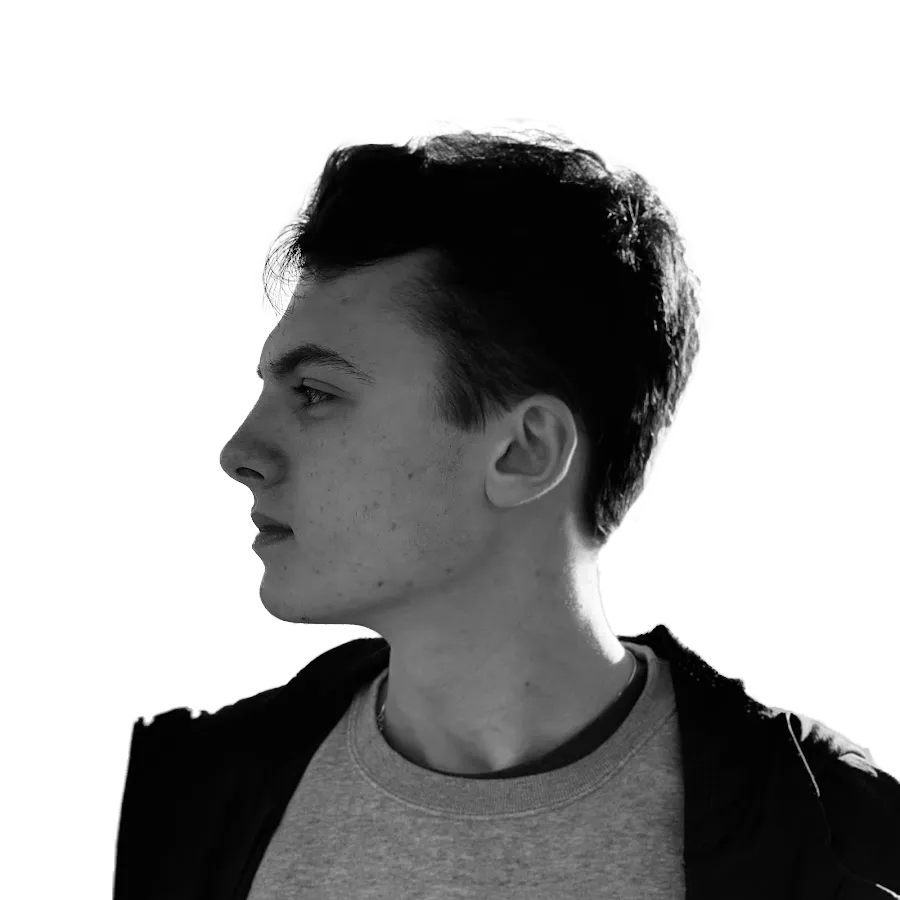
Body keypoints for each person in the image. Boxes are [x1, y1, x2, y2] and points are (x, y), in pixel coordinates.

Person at [114, 125, 900, 899]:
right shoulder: (155, 814)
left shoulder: (854, 858)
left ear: (523, 452)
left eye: (315, 394)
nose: (240, 453)